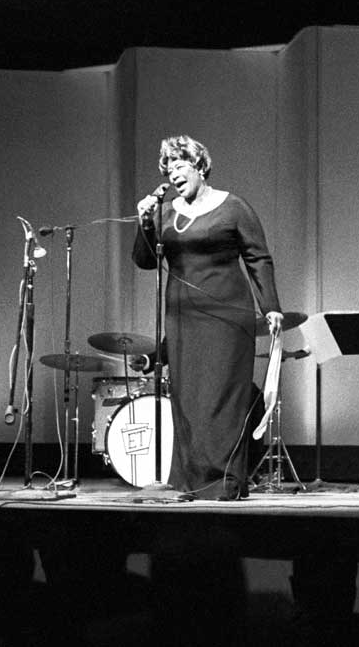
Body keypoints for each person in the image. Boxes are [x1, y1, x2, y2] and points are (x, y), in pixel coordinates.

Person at [133, 135, 283, 501]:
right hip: (183, 318)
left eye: (180, 166)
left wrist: (271, 306)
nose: (174, 174)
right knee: (189, 401)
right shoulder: (165, 213)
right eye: (169, 169)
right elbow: (144, 260)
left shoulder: (233, 207)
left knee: (223, 399)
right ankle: (190, 482)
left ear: (200, 167)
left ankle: (225, 482)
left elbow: (258, 257)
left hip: (227, 315)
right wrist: (144, 222)